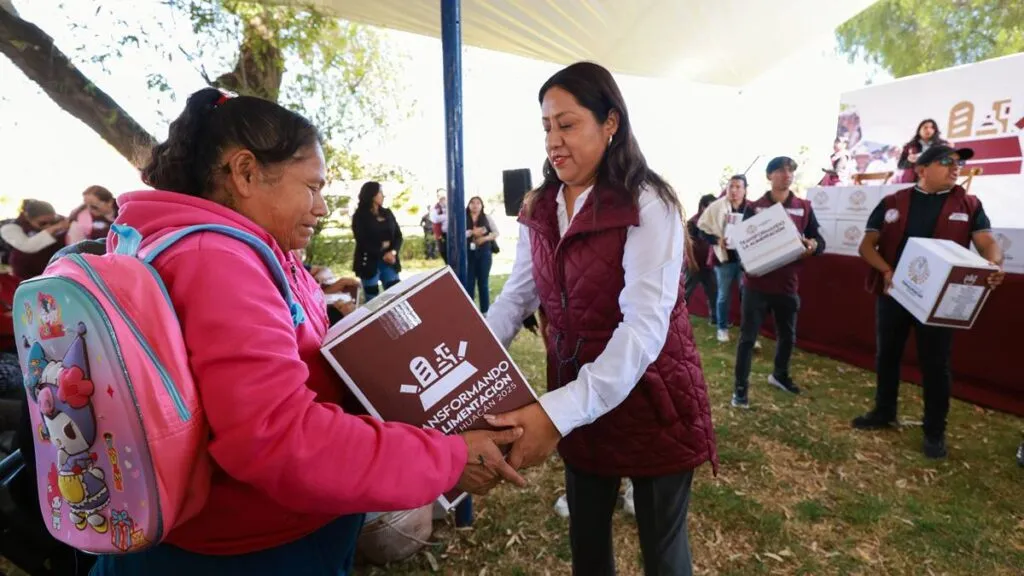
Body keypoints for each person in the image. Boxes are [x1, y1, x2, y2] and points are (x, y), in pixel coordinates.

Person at [88, 87, 526, 575]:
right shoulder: (215, 259)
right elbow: (278, 437)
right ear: (246, 172)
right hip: (249, 551)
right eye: (312, 187)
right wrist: (445, 457)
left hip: (251, 537)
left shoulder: (213, 246)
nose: (320, 208)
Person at [484, 61, 717, 576]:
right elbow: (518, 296)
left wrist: (556, 413)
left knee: (663, 550)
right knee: (587, 537)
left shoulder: (647, 203)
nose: (553, 141)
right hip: (577, 395)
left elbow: (643, 327)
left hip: (653, 396)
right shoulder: (540, 206)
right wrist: (468, 351)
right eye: (546, 126)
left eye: (567, 125)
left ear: (610, 122)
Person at [851, 145, 1003, 459]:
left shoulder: (969, 204)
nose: (956, 167)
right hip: (894, 294)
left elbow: (987, 242)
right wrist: (886, 270)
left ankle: (934, 431)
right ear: (922, 169)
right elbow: (867, 246)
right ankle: (884, 411)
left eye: (958, 163)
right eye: (946, 162)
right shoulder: (892, 202)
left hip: (939, 300)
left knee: (936, 365)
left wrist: (994, 264)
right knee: (888, 355)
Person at [732, 156, 826, 408]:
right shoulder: (754, 207)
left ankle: (780, 375)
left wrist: (813, 245)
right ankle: (740, 389)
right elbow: (741, 245)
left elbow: (819, 240)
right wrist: (748, 263)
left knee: (787, 335)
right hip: (756, 286)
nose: (787, 174)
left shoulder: (804, 207)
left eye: (791, 170)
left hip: (787, 285)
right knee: (747, 338)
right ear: (769, 176)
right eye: (781, 170)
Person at [698, 175, 751, 343]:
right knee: (723, 296)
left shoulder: (751, 208)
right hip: (724, 260)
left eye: (738, 187)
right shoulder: (716, 206)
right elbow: (702, 230)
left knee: (748, 296)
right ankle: (722, 328)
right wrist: (716, 240)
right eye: (731, 187)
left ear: (745, 190)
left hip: (747, 260)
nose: (734, 190)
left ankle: (749, 331)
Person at [352, 181, 403, 301]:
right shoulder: (359, 216)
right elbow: (362, 241)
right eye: (380, 192)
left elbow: (398, 236)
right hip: (369, 263)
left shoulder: (388, 213)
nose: (383, 195)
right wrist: (382, 252)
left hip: (389, 262)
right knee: (372, 301)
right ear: (372, 194)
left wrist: (393, 252)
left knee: (396, 297)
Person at [1, 200, 69, 281]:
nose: (48, 225)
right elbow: (27, 246)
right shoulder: (10, 227)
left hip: (54, 269)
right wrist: (53, 229)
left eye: (52, 222)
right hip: (23, 273)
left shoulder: (60, 220)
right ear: (27, 217)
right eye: (43, 223)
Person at [683, 194, 717, 326]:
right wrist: (692, 262)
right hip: (694, 264)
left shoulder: (713, 223)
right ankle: (678, 317)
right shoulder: (692, 222)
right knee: (686, 292)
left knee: (713, 292)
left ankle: (714, 319)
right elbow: (688, 244)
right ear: (702, 207)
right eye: (710, 206)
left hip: (708, 264)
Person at [464, 196, 499, 313]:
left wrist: (484, 238)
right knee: (469, 282)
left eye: (478, 203)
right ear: (468, 205)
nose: (475, 205)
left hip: (484, 253)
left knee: (483, 282)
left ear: (482, 206)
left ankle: (485, 311)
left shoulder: (487, 217)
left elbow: (496, 232)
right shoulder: (463, 218)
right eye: (472, 203)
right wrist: (472, 232)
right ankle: (469, 310)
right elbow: (458, 234)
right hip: (468, 253)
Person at [896, 119, 949, 184]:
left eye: (932, 127)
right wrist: (909, 161)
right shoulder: (909, 146)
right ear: (919, 130)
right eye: (925, 127)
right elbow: (900, 165)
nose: (928, 130)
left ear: (935, 130)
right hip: (912, 182)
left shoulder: (943, 145)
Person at [430, 189, 448, 263]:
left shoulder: (450, 205)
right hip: (442, 235)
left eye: (444, 196)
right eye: (440, 196)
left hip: (452, 233)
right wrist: (447, 217)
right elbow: (435, 219)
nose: (442, 198)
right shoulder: (435, 207)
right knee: (444, 252)